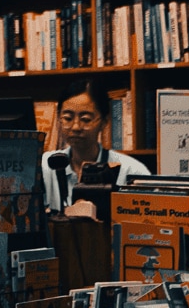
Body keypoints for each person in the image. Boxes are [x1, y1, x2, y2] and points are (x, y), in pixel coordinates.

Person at [41, 79, 151, 212]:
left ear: (104, 122)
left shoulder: (132, 171)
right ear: (58, 118)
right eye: (68, 118)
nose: (76, 127)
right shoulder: (46, 165)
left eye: (85, 120)